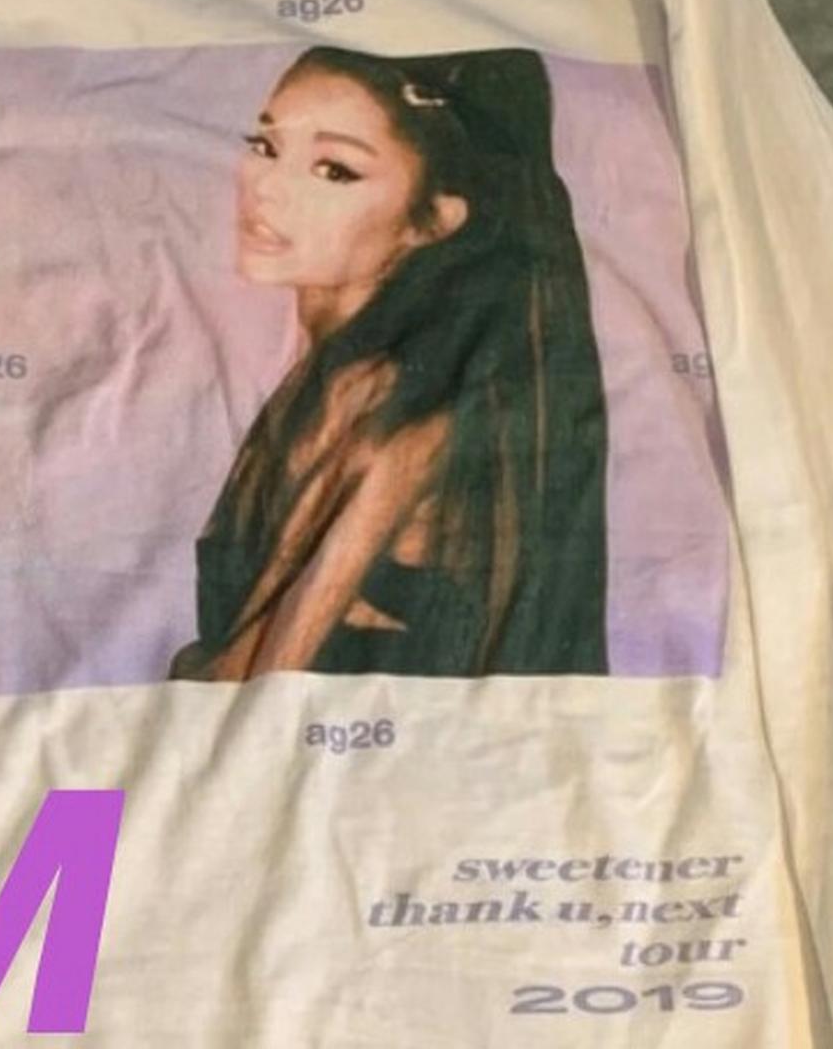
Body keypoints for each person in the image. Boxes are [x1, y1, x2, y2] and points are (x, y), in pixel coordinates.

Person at [167, 45, 610, 681]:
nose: (265, 187)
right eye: (265, 146)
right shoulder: (331, 382)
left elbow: (256, 676)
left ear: (433, 221)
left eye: (334, 170)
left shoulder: (401, 419)